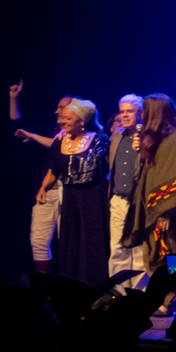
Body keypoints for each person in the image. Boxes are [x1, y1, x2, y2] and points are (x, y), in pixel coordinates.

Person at [118, 93, 176, 283]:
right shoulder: (160, 138)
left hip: (173, 210)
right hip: (158, 208)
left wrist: (166, 211)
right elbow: (150, 174)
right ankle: (169, 297)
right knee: (162, 251)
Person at [36, 98, 108, 287]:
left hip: (93, 196)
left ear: (82, 122)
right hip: (70, 196)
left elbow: (108, 169)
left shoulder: (99, 140)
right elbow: (54, 170)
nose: (62, 121)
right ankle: (69, 286)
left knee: (91, 242)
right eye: (63, 118)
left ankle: (93, 286)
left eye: (68, 119)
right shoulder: (59, 141)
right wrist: (44, 188)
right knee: (70, 241)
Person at [10, 83, 69, 275]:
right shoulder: (52, 132)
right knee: (38, 241)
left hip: (67, 193)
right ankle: (44, 285)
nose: (57, 110)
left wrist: (34, 136)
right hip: (44, 193)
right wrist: (13, 98)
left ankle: (68, 284)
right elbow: (18, 124)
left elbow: (60, 146)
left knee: (67, 240)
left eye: (62, 107)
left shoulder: (85, 137)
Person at [104, 93, 149, 286]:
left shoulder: (148, 137)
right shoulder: (116, 136)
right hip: (118, 199)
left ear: (140, 113)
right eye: (122, 111)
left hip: (140, 202)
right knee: (117, 248)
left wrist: (144, 148)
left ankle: (139, 295)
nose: (125, 115)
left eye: (130, 111)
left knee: (139, 250)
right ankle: (119, 294)